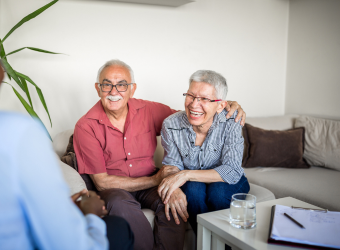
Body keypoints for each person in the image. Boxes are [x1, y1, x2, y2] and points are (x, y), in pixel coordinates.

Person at [0, 1, 133, 249]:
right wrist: (91, 217)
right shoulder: (14, 134)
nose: (2, 73)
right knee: (117, 228)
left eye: (122, 85)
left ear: (131, 89)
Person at [73, 60, 247, 250]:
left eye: (122, 85)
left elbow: (193, 115)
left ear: (132, 89)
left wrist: (224, 105)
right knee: (121, 206)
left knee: (174, 204)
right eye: (107, 85)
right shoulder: (86, 126)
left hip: (152, 181)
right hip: (115, 188)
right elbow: (102, 182)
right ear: (98, 89)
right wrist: (159, 180)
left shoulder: (149, 110)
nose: (114, 92)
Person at [157, 70, 250, 234]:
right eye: (190, 96)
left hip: (227, 180)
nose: (194, 104)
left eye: (204, 99)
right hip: (195, 182)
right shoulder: (170, 125)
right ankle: (206, 242)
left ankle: (225, 244)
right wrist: (178, 180)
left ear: (221, 105)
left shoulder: (232, 120)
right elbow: (172, 165)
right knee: (192, 192)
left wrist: (185, 175)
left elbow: (232, 170)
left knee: (218, 194)